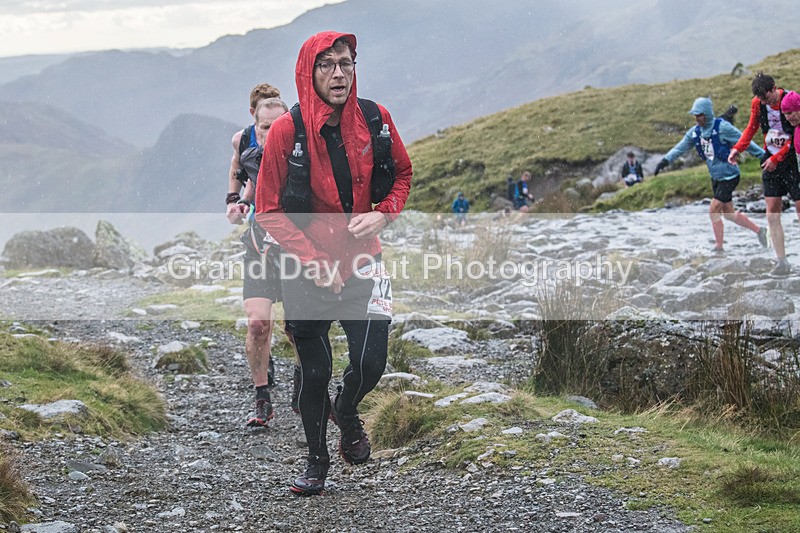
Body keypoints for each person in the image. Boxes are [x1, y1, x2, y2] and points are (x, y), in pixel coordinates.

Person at [255, 32, 412, 495]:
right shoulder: (286, 131)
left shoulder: (376, 118)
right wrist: (312, 258)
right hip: (305, 269)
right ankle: (316, 461)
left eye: (345, 63)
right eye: (326, 65)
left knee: (372, 362)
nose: (338, 73)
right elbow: (267, 210)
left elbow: (402, 174)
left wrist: (384, 214)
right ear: (309, 72)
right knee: (315, 370)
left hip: (366, 261)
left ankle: (345, 410)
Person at [225, 89, 301, 428]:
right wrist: (237, 203)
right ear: (255, 125)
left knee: (297, 329)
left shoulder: (303, 152)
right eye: (265, 127)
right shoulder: (246, 145)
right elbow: (249, 178)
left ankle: (303, 384)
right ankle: (262, 397)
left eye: (278, 125)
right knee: (258, 325)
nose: (271, 133)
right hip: (259, 246)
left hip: (296, 249)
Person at [654, 97, 768, 254]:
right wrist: (664, 161)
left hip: (730, 176)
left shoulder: (723, 128)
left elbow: (745, 141)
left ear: (707, 114)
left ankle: (719, 248)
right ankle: (760, 231)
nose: (697, 118)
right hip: (716, 178)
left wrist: (764, 156)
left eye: (700, 115)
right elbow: (680, 148)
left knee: (713, 209)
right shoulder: (695, 133)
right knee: (729, 214)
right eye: (695, 115)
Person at [727, 73, 799, 275]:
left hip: (791, 162)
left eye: (767, 98)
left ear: (774, 88)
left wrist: (777, 158)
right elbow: (751, 128)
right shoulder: (758, 103)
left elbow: (795, 136)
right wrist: (737, 149)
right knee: (772, 213)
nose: (766, 102)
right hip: (770, 160)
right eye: (762, 99)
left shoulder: (791, 102)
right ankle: (782, 262)